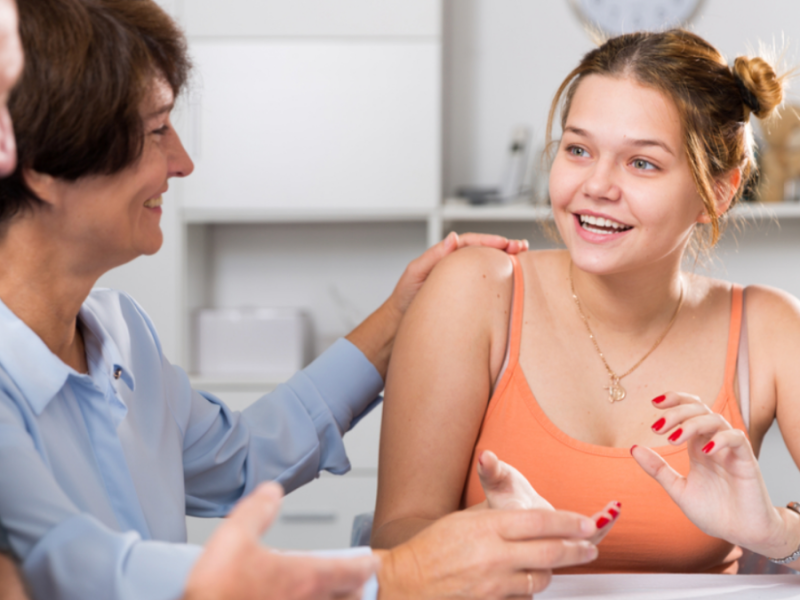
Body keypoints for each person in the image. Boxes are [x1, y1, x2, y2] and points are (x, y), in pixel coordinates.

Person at [0, 1, 605, 599]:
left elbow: (241, 458)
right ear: (43, 166)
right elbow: (71, 565)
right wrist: (396, 576)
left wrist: (396, 321)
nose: (182, 162)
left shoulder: (121, 333)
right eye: (157, 129)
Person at [371, 28, 800, 575]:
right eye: (578, 150)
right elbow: (393, 540)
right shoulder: (476, 292)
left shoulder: (770, 328)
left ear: (717, 192)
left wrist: (777, 533)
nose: (596, 185)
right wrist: (487, 542)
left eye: (641, 162)